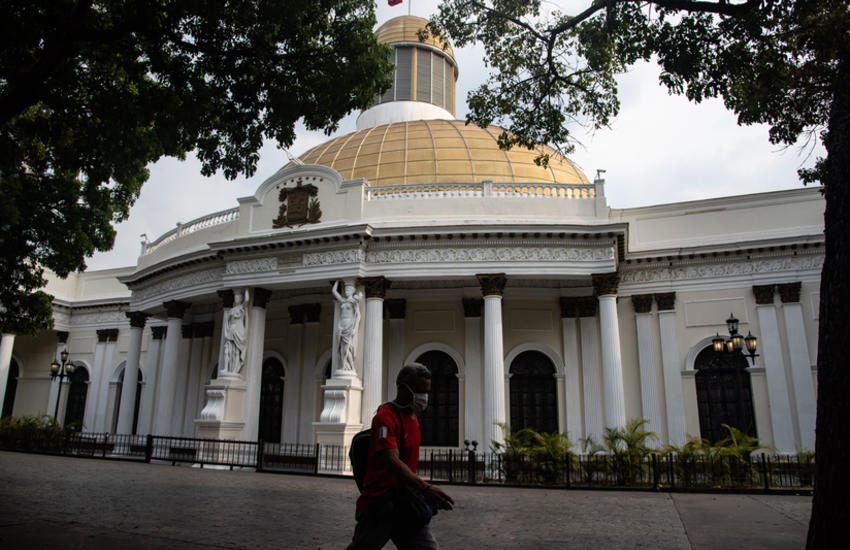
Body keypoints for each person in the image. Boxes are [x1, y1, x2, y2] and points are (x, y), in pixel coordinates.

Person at [347, 363, 455, 550]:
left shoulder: (413, 416)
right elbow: (391, 460)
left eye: (427, 391)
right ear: (402, 387)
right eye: (420, 390)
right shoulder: (385, 417)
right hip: (381, 504)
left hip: (405, 503)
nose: (424, 397)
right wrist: (425, 488)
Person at [332, 280, 362, 373]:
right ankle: (344, 366)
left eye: (348, 289)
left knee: (346, 348)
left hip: (349, 325)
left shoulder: (353, 301)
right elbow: (334, 292)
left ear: (353, 290)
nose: (346, 291)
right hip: (341, 325)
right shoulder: (343, 301)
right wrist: (337, 281)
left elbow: (358, 315)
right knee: (341, 348)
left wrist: (354, 328)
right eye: (345, 289)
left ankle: (351, 367)